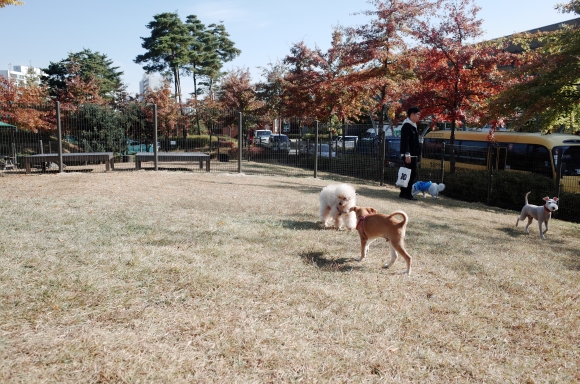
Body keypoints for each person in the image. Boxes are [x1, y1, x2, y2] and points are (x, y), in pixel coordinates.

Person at [399, 106, 421, 200]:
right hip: (409, 155)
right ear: (412, 114)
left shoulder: (412, 125)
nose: (419, 116)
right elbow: (405, 141)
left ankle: (404, 193)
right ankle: (407, 194)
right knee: (410, 174)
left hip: (413, 154)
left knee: (409, 173)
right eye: (417, 114)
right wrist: (407, 154)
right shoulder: (407, 126)